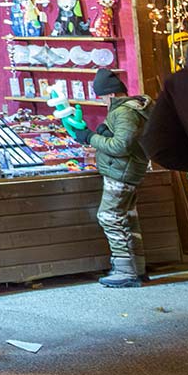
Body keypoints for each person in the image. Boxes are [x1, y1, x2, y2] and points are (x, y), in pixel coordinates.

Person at [59, 68, 151, 287]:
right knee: (127, 217)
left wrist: (91, 137)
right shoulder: (132, 109)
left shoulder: (123, 112)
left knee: (109, 216)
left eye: (101, 97)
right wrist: (102, 134)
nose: (102, 102)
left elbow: (121, 146)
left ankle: (125, 271)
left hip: (120, 171)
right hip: (128, 169)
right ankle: (136, 267)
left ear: (110, 94)